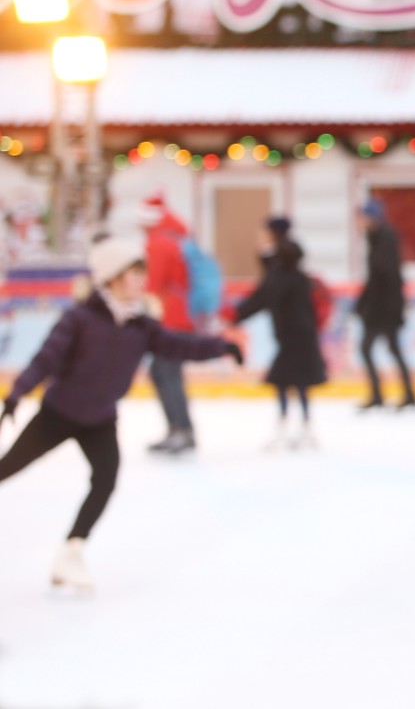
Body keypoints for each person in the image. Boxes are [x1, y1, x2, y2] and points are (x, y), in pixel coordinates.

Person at [0, 238, 241, 591]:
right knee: (8, 467)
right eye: (135, 272)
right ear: (113, 276)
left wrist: (222, 346)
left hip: (99, 418)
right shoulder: (80, 318)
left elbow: (179, 345)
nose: (142, 280)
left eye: (142, 272)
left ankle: (72, 551)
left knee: (106, 478)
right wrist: (17, 394)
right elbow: (46, 359)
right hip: (60, 412)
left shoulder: (140, 325)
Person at [229, 217, 327, 450]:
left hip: (296, 332)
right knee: (294, 380)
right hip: (296, 331)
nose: (259, 235)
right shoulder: (283, 261)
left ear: (272, 234)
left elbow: (265, 295)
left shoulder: (281, 264)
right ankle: (301, 427)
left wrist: (235, 314)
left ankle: (296, 428)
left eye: (263, 231)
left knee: (286, 379)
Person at [138, 194, 200, 455]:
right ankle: (179, 428)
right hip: (181, 316)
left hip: (171, 318)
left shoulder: (159, 243)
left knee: (166, 372)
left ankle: (180, 430)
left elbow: (153, 283)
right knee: (165, 372)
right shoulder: (174, 238)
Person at [354, 199, 415, 411]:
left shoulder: (384, 238)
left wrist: (393, 309)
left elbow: (387, 278)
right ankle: (398, 395)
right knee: (386, 349)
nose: (360, 221)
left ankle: (395, 395)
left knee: (379, 349)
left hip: (384, 309)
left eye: (363, 216)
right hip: (379, 308)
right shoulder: (375, 237)